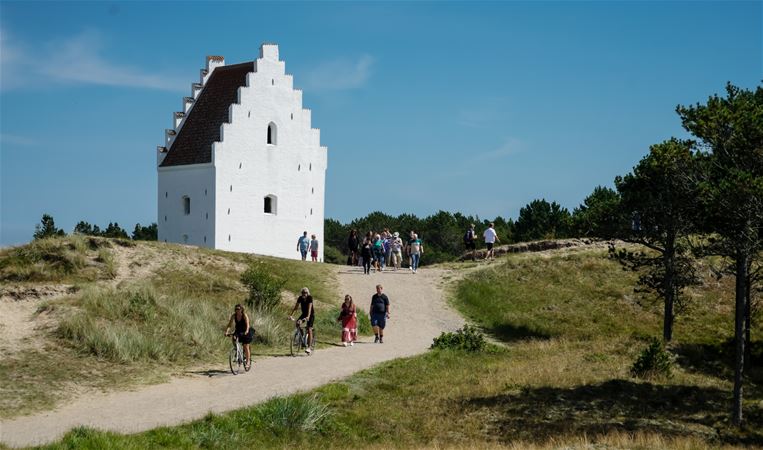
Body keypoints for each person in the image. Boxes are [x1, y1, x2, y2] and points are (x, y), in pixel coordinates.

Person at [224, 304, 254, 370]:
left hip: (246, 331)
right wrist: (226, 331)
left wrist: (246, 331)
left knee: (245, 346)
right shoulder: (234, 316)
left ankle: (248, 362)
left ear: (242, 309)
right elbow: (229, 324)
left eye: (238, 309)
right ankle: (237, 350)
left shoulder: (244, 315)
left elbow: (248, 325)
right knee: (233, 338)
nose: (237, 310)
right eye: (236, 309)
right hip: (238, 331)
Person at [289, 287, 315, 354]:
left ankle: (309, 347)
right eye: (303, 292)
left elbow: (309, 308)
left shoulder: (310, 298)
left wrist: (308, 317)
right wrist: (291, 315)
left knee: (309, 329)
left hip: (311, 315)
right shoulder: (300, 298)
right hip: (304, 314)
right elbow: (296, 307)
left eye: (305, 293)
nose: (304, 294)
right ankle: (302, 338)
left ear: (308, 293)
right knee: (297, 323)